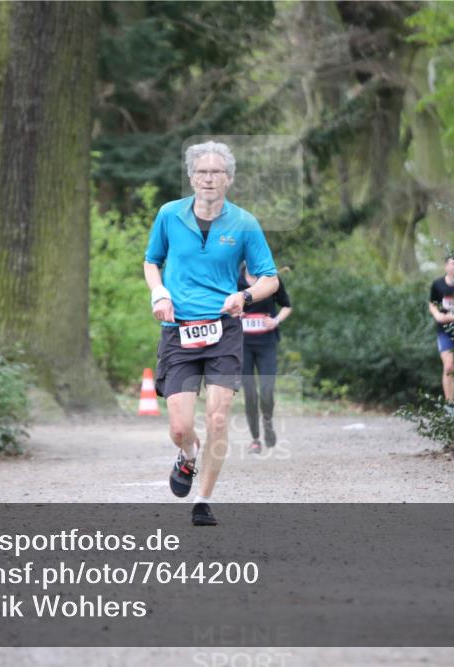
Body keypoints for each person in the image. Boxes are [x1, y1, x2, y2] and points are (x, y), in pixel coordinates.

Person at [143, 141, 278, 526]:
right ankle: (187, 455)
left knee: (218, 419)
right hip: (178, 331)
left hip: (223, 330)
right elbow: (152, 262)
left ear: (228, 179)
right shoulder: (169, 215)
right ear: (191, 177)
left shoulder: (244, 223)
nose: (208, 178)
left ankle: (203, 500)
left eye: (216, 172)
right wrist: (159, 293)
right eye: (201, 172)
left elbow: (270, 278)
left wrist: (244, 295)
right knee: (180, 427)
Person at [238, 264, 292, 453]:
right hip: (242, 346)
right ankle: (255, 439)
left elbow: (287, 306)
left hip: (266, 344)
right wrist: (234, 312)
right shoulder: (234, 279)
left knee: (267, 391)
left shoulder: (270, 279)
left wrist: (276, 321)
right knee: (250, 393)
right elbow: (223, 305)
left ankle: (268, 423)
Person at [428, 256, 454, 403]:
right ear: (446, 266)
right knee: (449, 367)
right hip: (445, 331)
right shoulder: (438, 285)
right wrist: (438, 315)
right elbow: (432, 304)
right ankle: (450, 405)